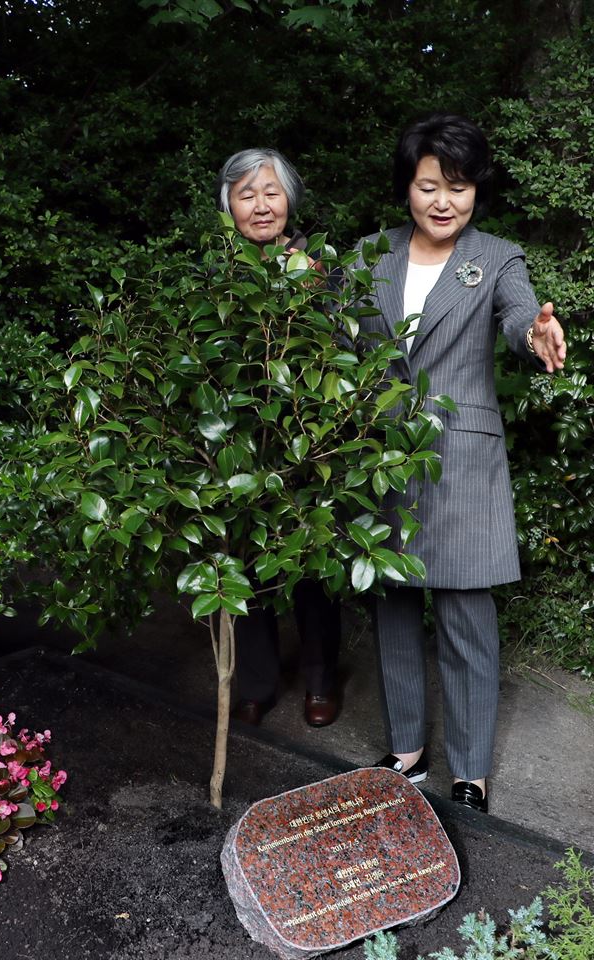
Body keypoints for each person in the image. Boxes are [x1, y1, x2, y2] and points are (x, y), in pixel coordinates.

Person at [357, 114, 566, 812]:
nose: (443, 201)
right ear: (406, 189)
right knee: (390, 606)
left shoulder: (498, 258)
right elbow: (329, 340)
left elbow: (516, 319)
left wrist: (536, 332)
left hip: (462, 463)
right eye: (428, 186)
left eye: (459, 185)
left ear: (475, 190)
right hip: (381, 460)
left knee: (466, 618)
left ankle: (469, 768)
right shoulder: (369, 256)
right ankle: (408, 748)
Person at [215, 148, 341, 728]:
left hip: (301, 439)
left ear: (289, 199)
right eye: (247, 194)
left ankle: (320, 678)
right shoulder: (213, 275)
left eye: (271, 192)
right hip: (237, 440)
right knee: (246, 559)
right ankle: (258, 681)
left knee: (309, 562)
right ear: (229, 206)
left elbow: (340, 355)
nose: (260, 205)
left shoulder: (319, 268)